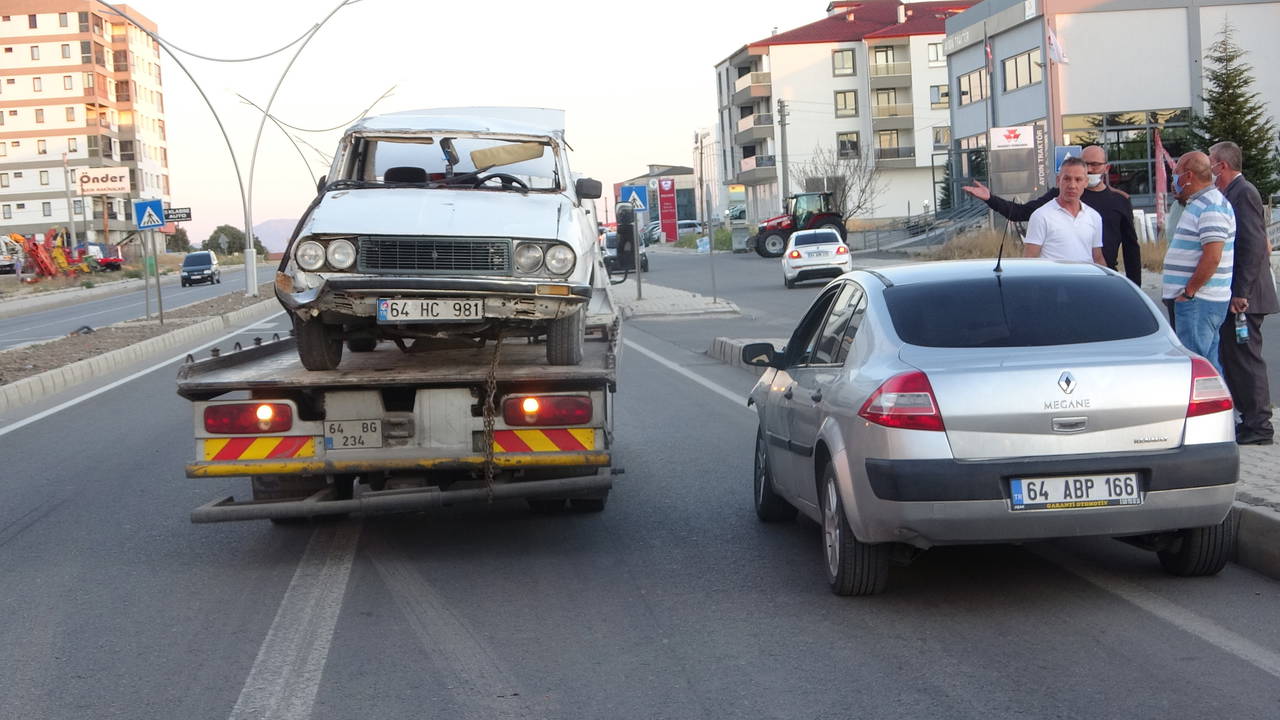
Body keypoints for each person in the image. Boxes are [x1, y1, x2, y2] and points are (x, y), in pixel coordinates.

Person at [962, 145, 1142, 284]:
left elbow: (1130, 249)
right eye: (1085, 164)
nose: (1089, 168)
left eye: (1094, 165)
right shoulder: (1060, 195)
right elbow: (1021, 212)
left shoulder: (1119, 201)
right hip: (1058, 283)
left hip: (1098, 281)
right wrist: (990, 198)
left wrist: (1135, 287)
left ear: (1106, 168)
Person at [1209, 141, 1276, 445]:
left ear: (1221, 165)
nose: (1209, 167)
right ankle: (1249, 421)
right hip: (1240, 294)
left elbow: (1253, 245)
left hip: (1246, 297)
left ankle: (1259, 426)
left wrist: (1241, 292)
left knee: (1247, 360)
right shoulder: (1231, 193)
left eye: (1211, 161)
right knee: (1236, 360)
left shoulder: (1243, 192)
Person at [1161, 151, 1234, 374]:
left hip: (1199, 301)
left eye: (1175, 174)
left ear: (1188, 176)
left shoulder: (1211, 206)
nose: (1173, 180)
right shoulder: (1200, 203)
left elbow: (1212, 257)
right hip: (1198, 301)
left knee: (1197, 368)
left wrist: (1189, 291)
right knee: (1207, 364)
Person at [1022, 157, 1105, 264]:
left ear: (1086, 182)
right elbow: (1029, 260)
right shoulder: (1041, 216)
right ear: (1058, 181)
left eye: (1078, 180)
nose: (1072, 185)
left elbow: (1097, 258)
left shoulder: (1094, 216)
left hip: (1086, 275)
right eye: (1067, 179)